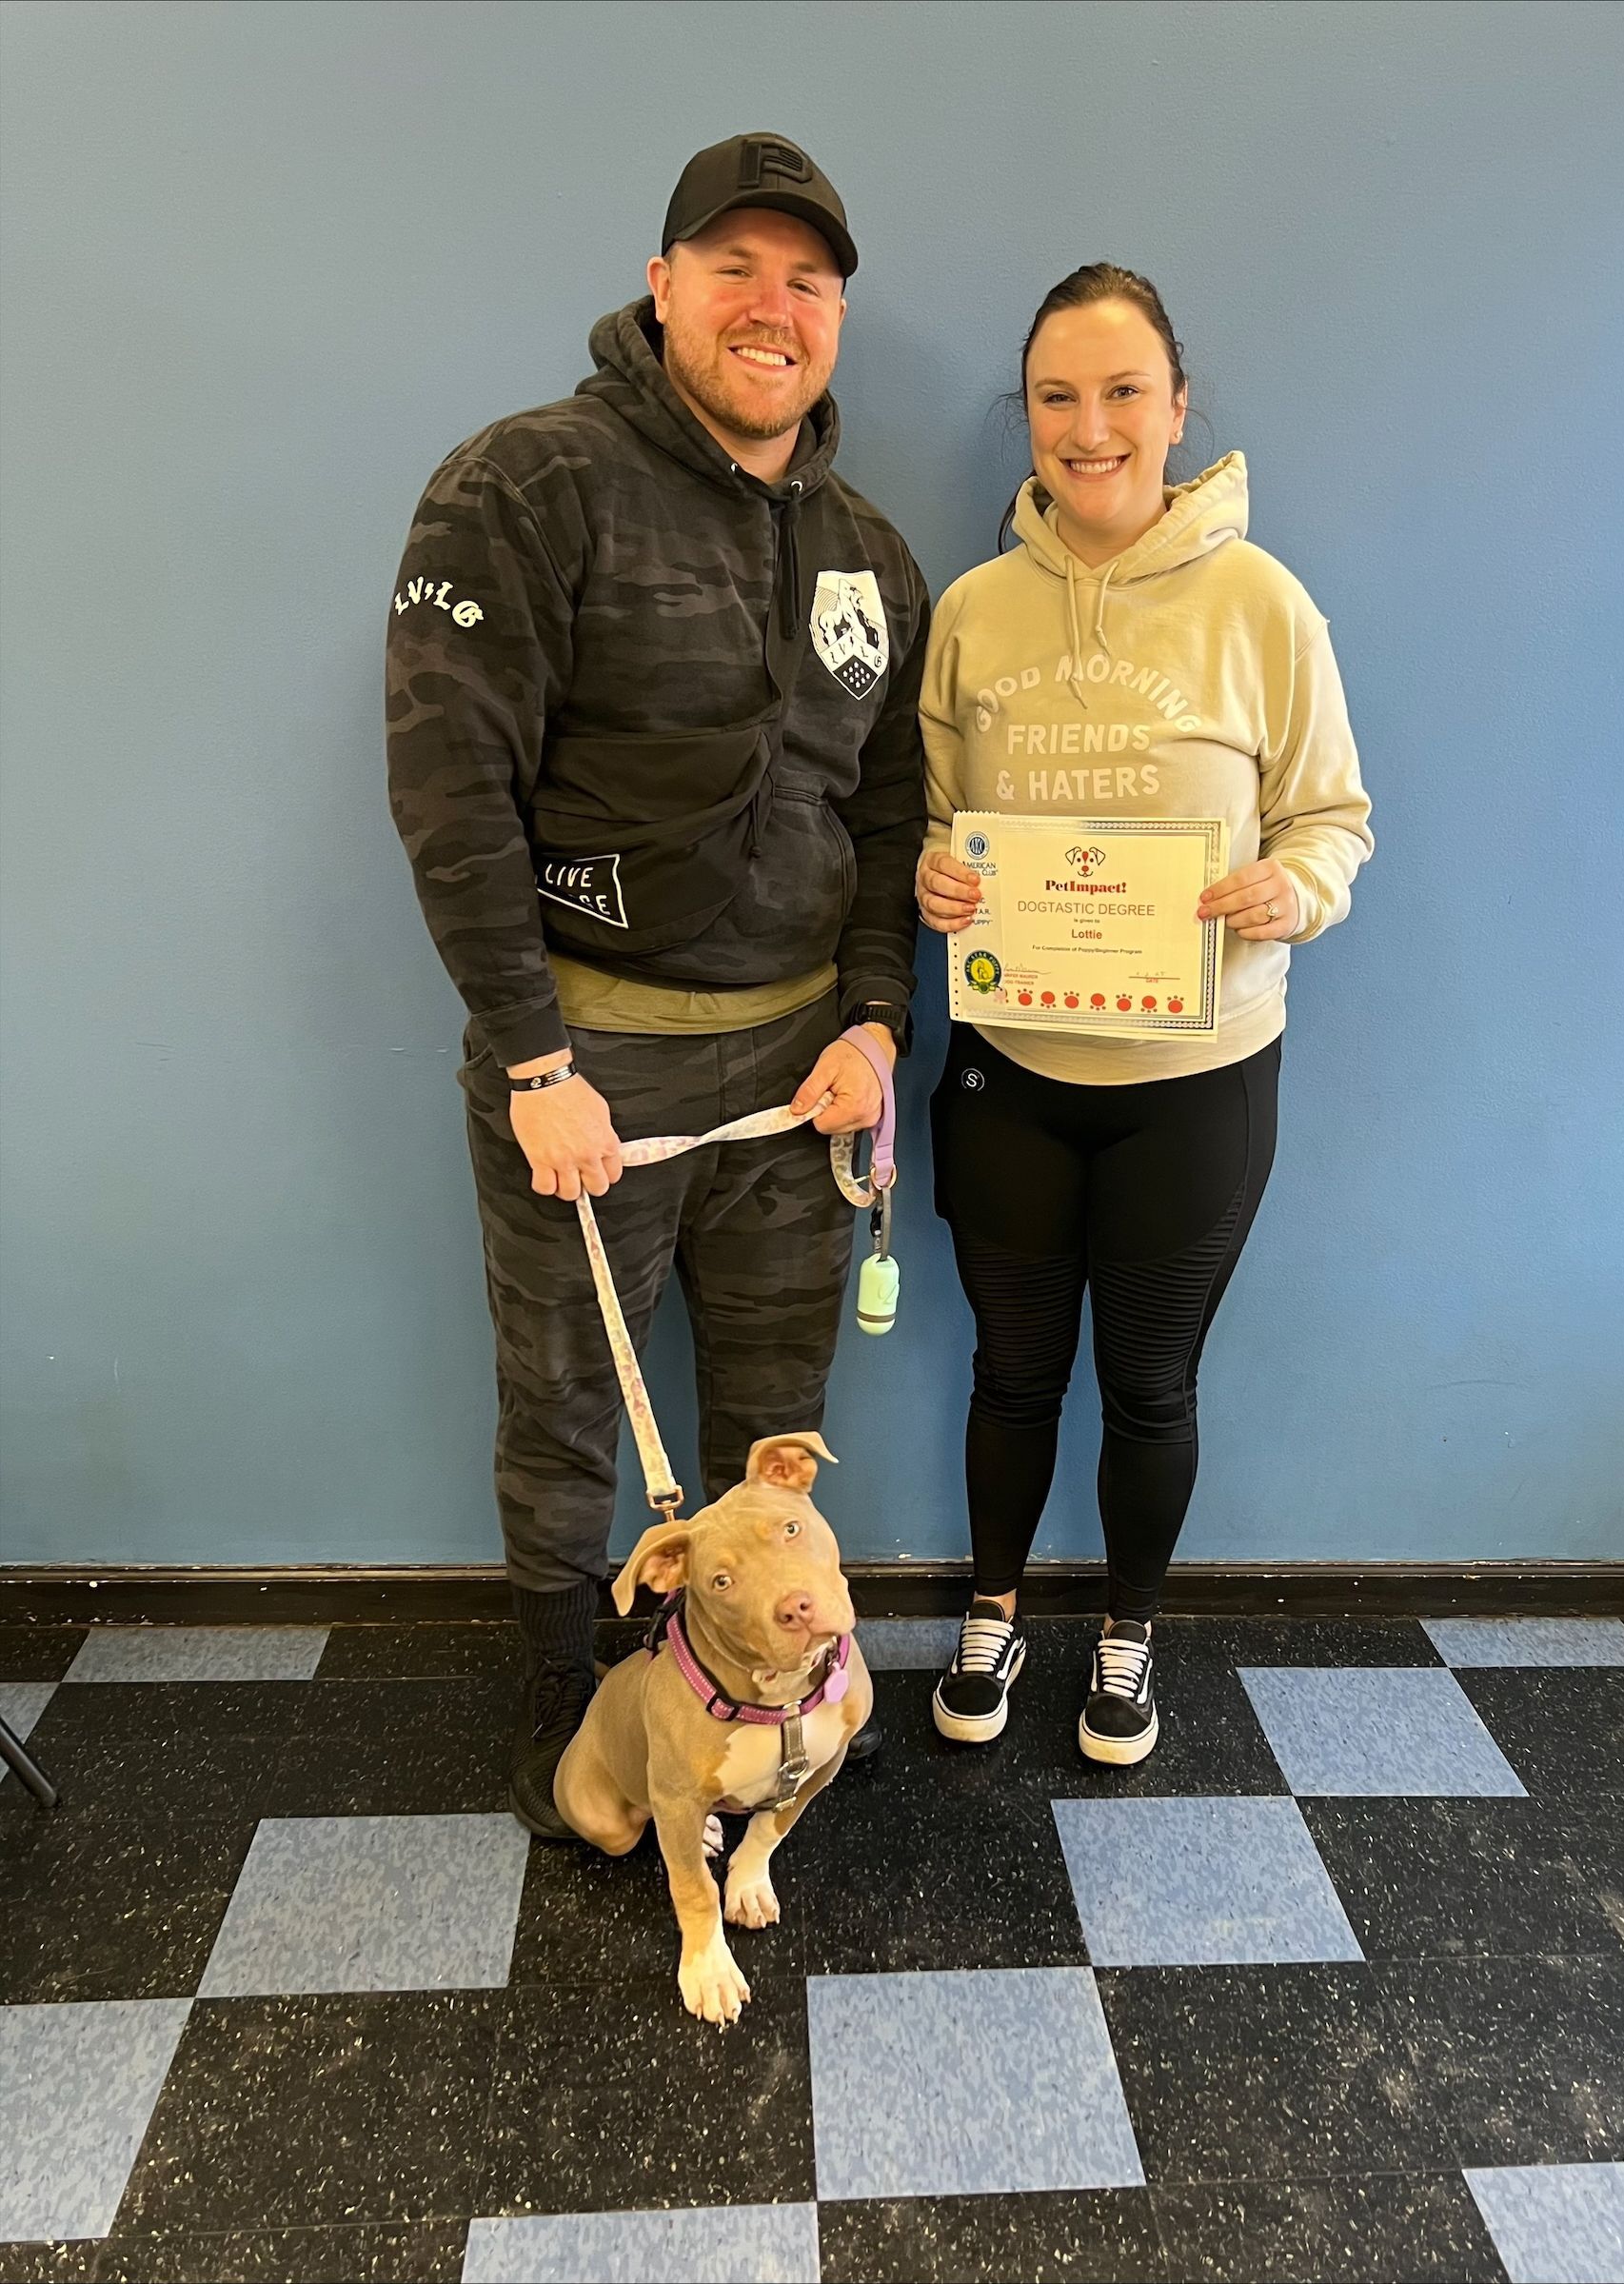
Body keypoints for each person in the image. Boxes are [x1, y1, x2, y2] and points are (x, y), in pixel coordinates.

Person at [386, 133, 925, 1835]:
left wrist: (870, 1020)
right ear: (662, 284)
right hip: (588, 1074)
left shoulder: (867, 550)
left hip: (792, 1082)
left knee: (776, 1437)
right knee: (559, 1420)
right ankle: (572, 1735)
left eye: (809, 281)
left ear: (838, 314)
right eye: (736, 269)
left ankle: (760, 1730)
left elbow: (889, 809)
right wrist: (533, 1057)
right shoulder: (526, 482)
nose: (775, 308)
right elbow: (450, 783)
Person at [917, 265, 1373, 1766]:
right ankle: (988, 1612)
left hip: (1200, 1078)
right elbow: (933, 822)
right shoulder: (974, 612)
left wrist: (1287, 892)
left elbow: (1333, 819)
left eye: (1122, 392)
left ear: (1177, 410)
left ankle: (1126, 1632)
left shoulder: (1261, 601)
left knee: (1149, 1380)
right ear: (1026, 417)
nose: (1089, 426)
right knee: (1010, 1370)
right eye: (1056, 396)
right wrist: (936, 880)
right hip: (1013, 1069)